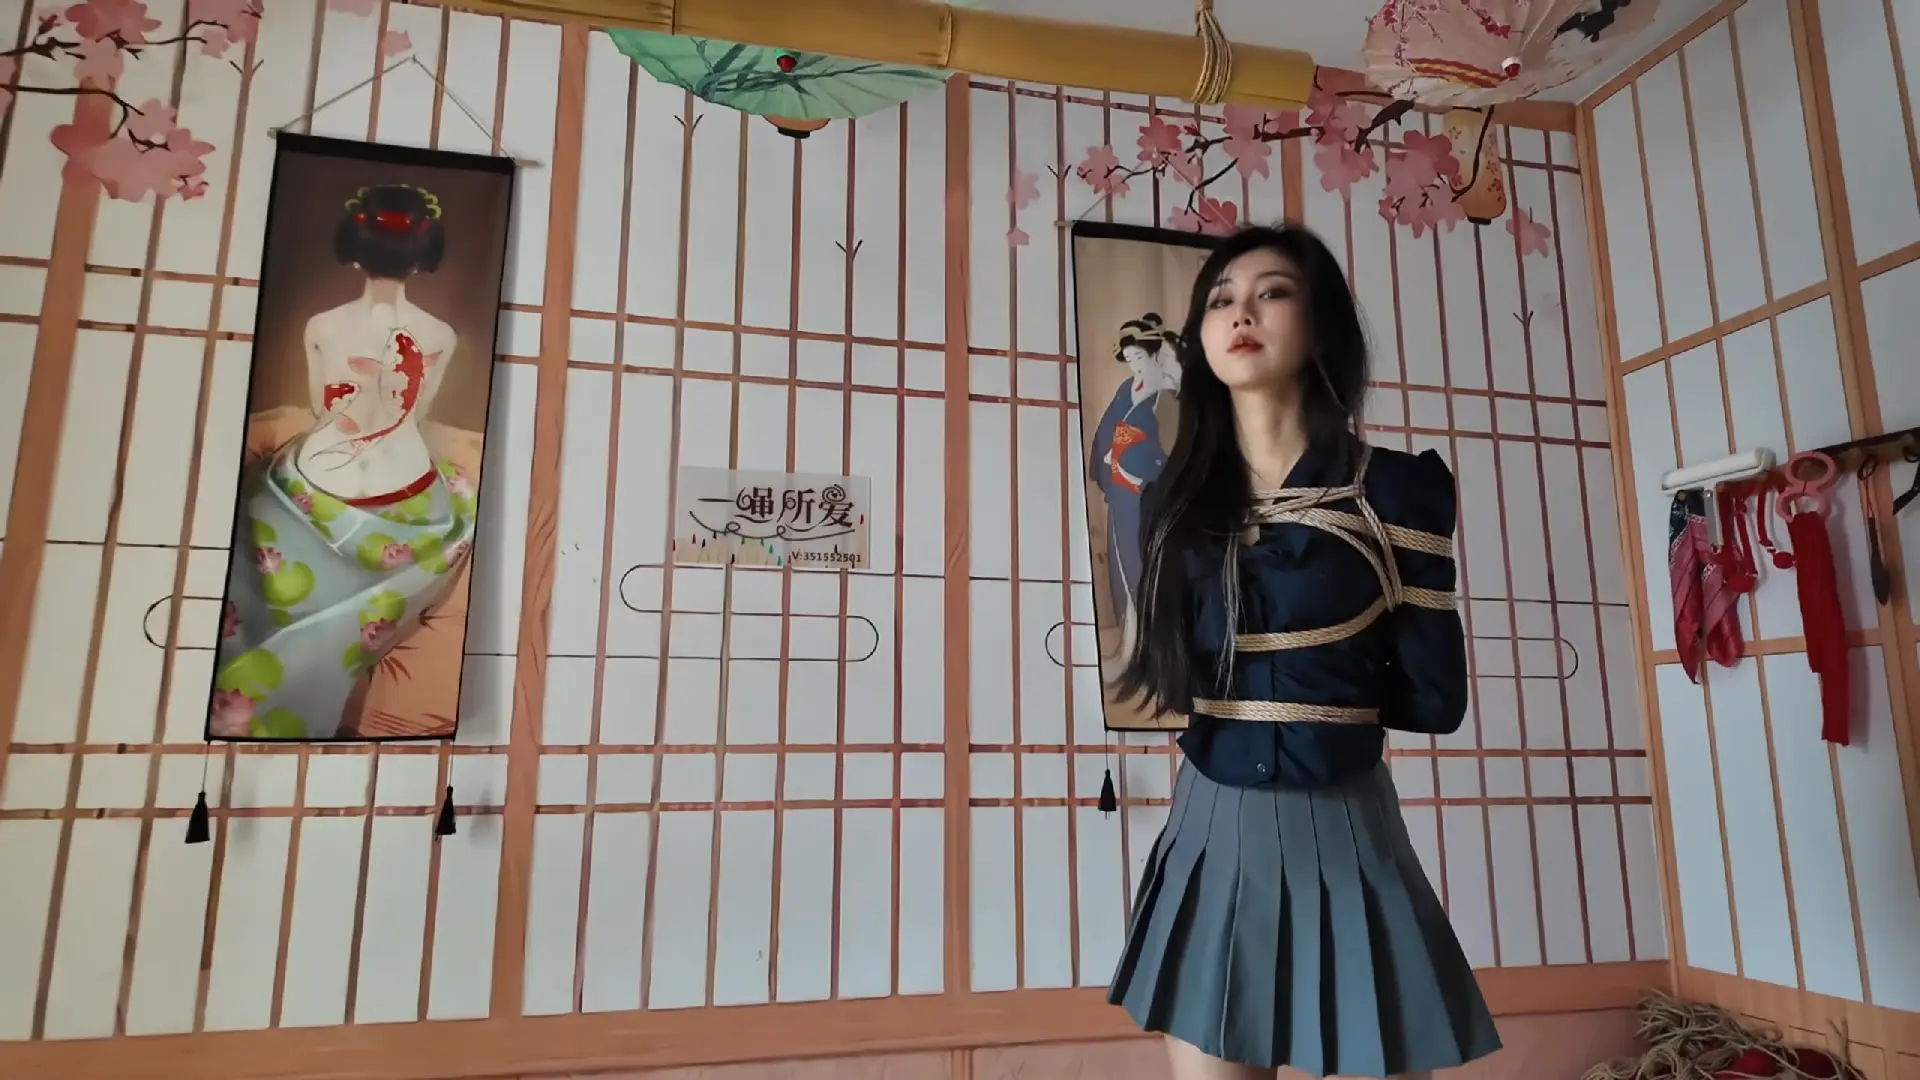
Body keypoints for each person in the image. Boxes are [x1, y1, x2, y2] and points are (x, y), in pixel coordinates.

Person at [1104, 225, 1500, 1080]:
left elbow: (1437, 699)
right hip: (1211, 830)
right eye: (1220, 300)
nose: (1240, 313)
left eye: (1272, 292)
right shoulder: (1172, 496)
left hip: (1347, 828)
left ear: (1323, 325)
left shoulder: (1398, 490)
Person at [209, 184, 477, 741]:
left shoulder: (322, 325)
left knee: (251, 540)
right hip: (409, 496)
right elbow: (418, 411)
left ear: (354, 249)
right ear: (422, 256)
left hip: (316, 482)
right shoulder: (441, 335)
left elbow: (320, 408)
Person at [1089, 312, 1183, 663]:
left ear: (1154, 354)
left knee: (1147, 566)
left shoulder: (1165, 392)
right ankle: (1130, 646)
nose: (1136, 366)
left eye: (1140, 357)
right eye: (1129, 359)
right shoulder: (1126, 389)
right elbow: (1107, 431)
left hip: (1148, 490)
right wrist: (1111, 455)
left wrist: (1140, 468)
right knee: (1122, 564)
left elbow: (1168, 443)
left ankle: (1154, 654)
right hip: (1122, 490)